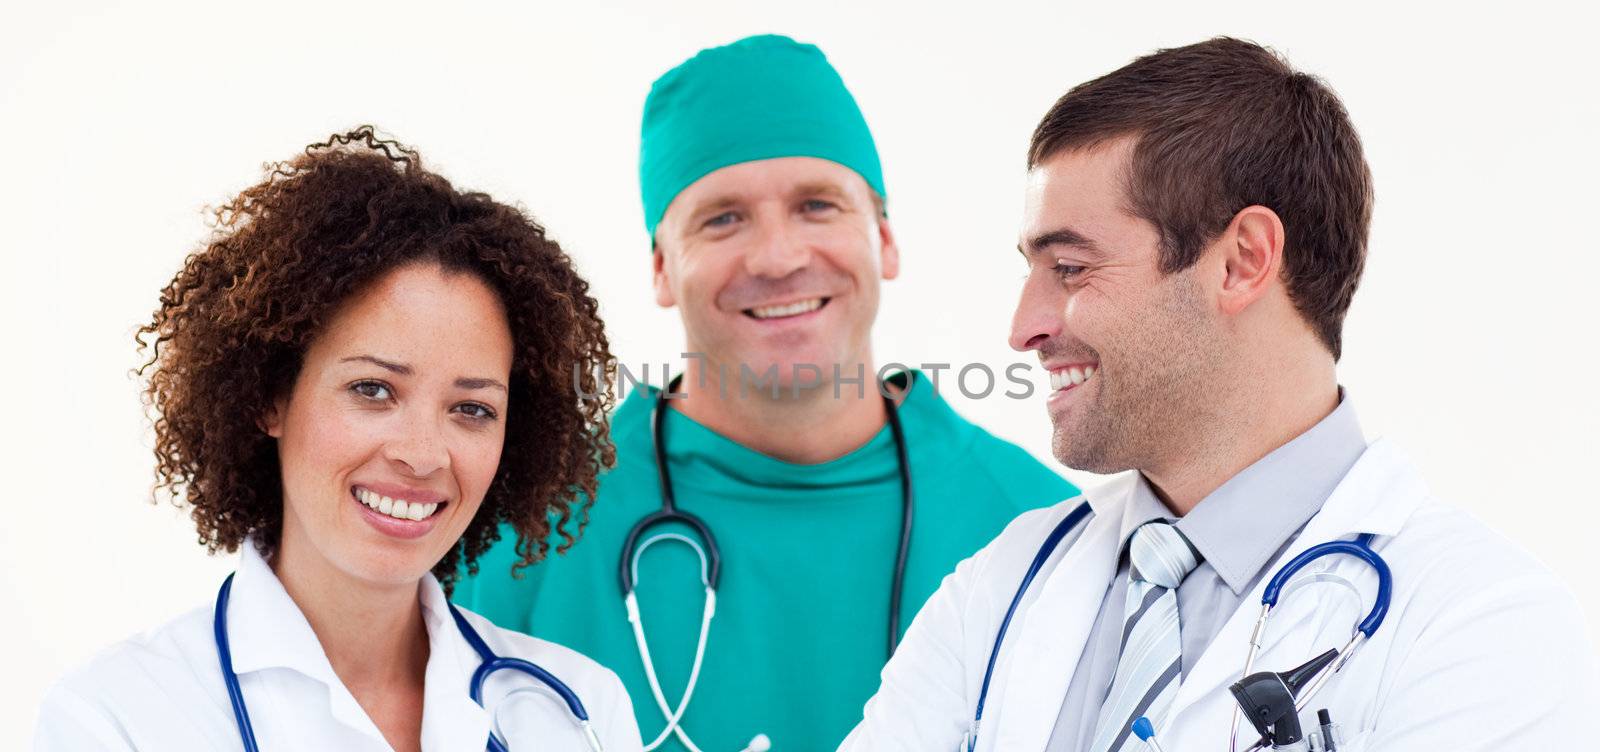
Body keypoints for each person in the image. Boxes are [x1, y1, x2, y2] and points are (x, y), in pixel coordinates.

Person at [842, 37, 1599, 751]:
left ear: (1241, 262)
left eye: (1070, 268)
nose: (1023, 328)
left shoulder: (1483, 626)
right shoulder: (1002, 587)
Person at [456, 35, 1077, 752]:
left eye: (817, 206)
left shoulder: (1038, 528)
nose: (779, 257)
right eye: (723, 218)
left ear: (885, 239)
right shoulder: (528, 529)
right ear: (661, 268)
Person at [35, 128, 643, 752]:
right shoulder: (115, 719)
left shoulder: (580, 713)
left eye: (471, 408)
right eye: (373, 390)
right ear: (272, 396)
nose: (423, 453)